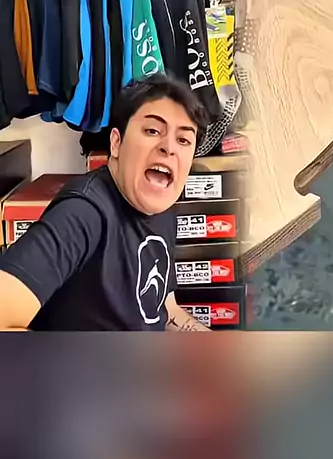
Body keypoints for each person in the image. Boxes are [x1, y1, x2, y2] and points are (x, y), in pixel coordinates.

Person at [0, 74, 212, 331]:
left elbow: (165, 310)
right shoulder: (83, 213)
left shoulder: (163, 208)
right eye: (152, 131)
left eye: (183, 140)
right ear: (116, 143)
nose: (169, 147)